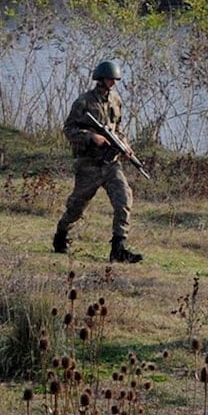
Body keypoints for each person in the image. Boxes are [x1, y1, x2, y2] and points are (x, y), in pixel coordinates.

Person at [52, 60, 144, 263]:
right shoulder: (83, 102)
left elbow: (118, 129)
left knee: (124, 200)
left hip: (111, 164)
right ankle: (61, 235)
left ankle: (118, 248)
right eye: (110, 79)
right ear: (100, 79)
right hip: (89, 164)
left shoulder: (116, 101)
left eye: (115, 80)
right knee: (77, 207)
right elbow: (69, 129)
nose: (113, 83)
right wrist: (90, 137)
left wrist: (125, 145)